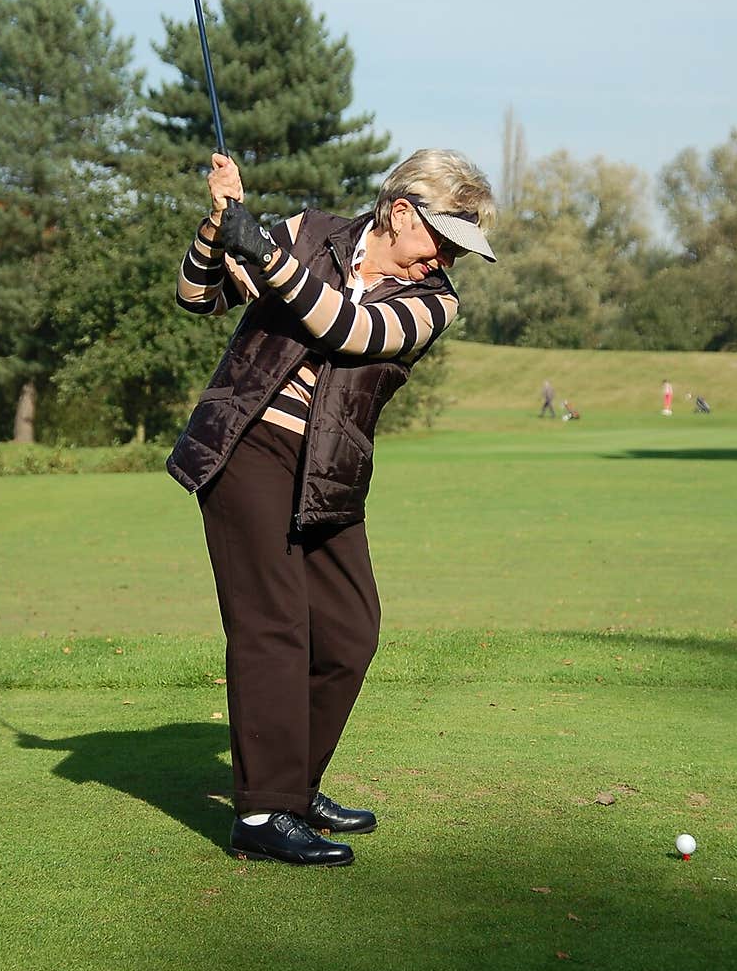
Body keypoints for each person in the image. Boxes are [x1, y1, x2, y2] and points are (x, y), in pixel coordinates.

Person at [167, 148, 497, 866]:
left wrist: (267, 257)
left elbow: (349, 329)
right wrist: (220, 227)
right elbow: (198, 296)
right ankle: (260, 814)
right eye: (442, 239)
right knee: (274, 626)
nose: (445, 258)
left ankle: (293, 787)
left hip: (331, 473)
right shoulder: (308, 233)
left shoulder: (435, 301)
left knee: (349, 632)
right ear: (402, 211)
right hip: (247, 447)